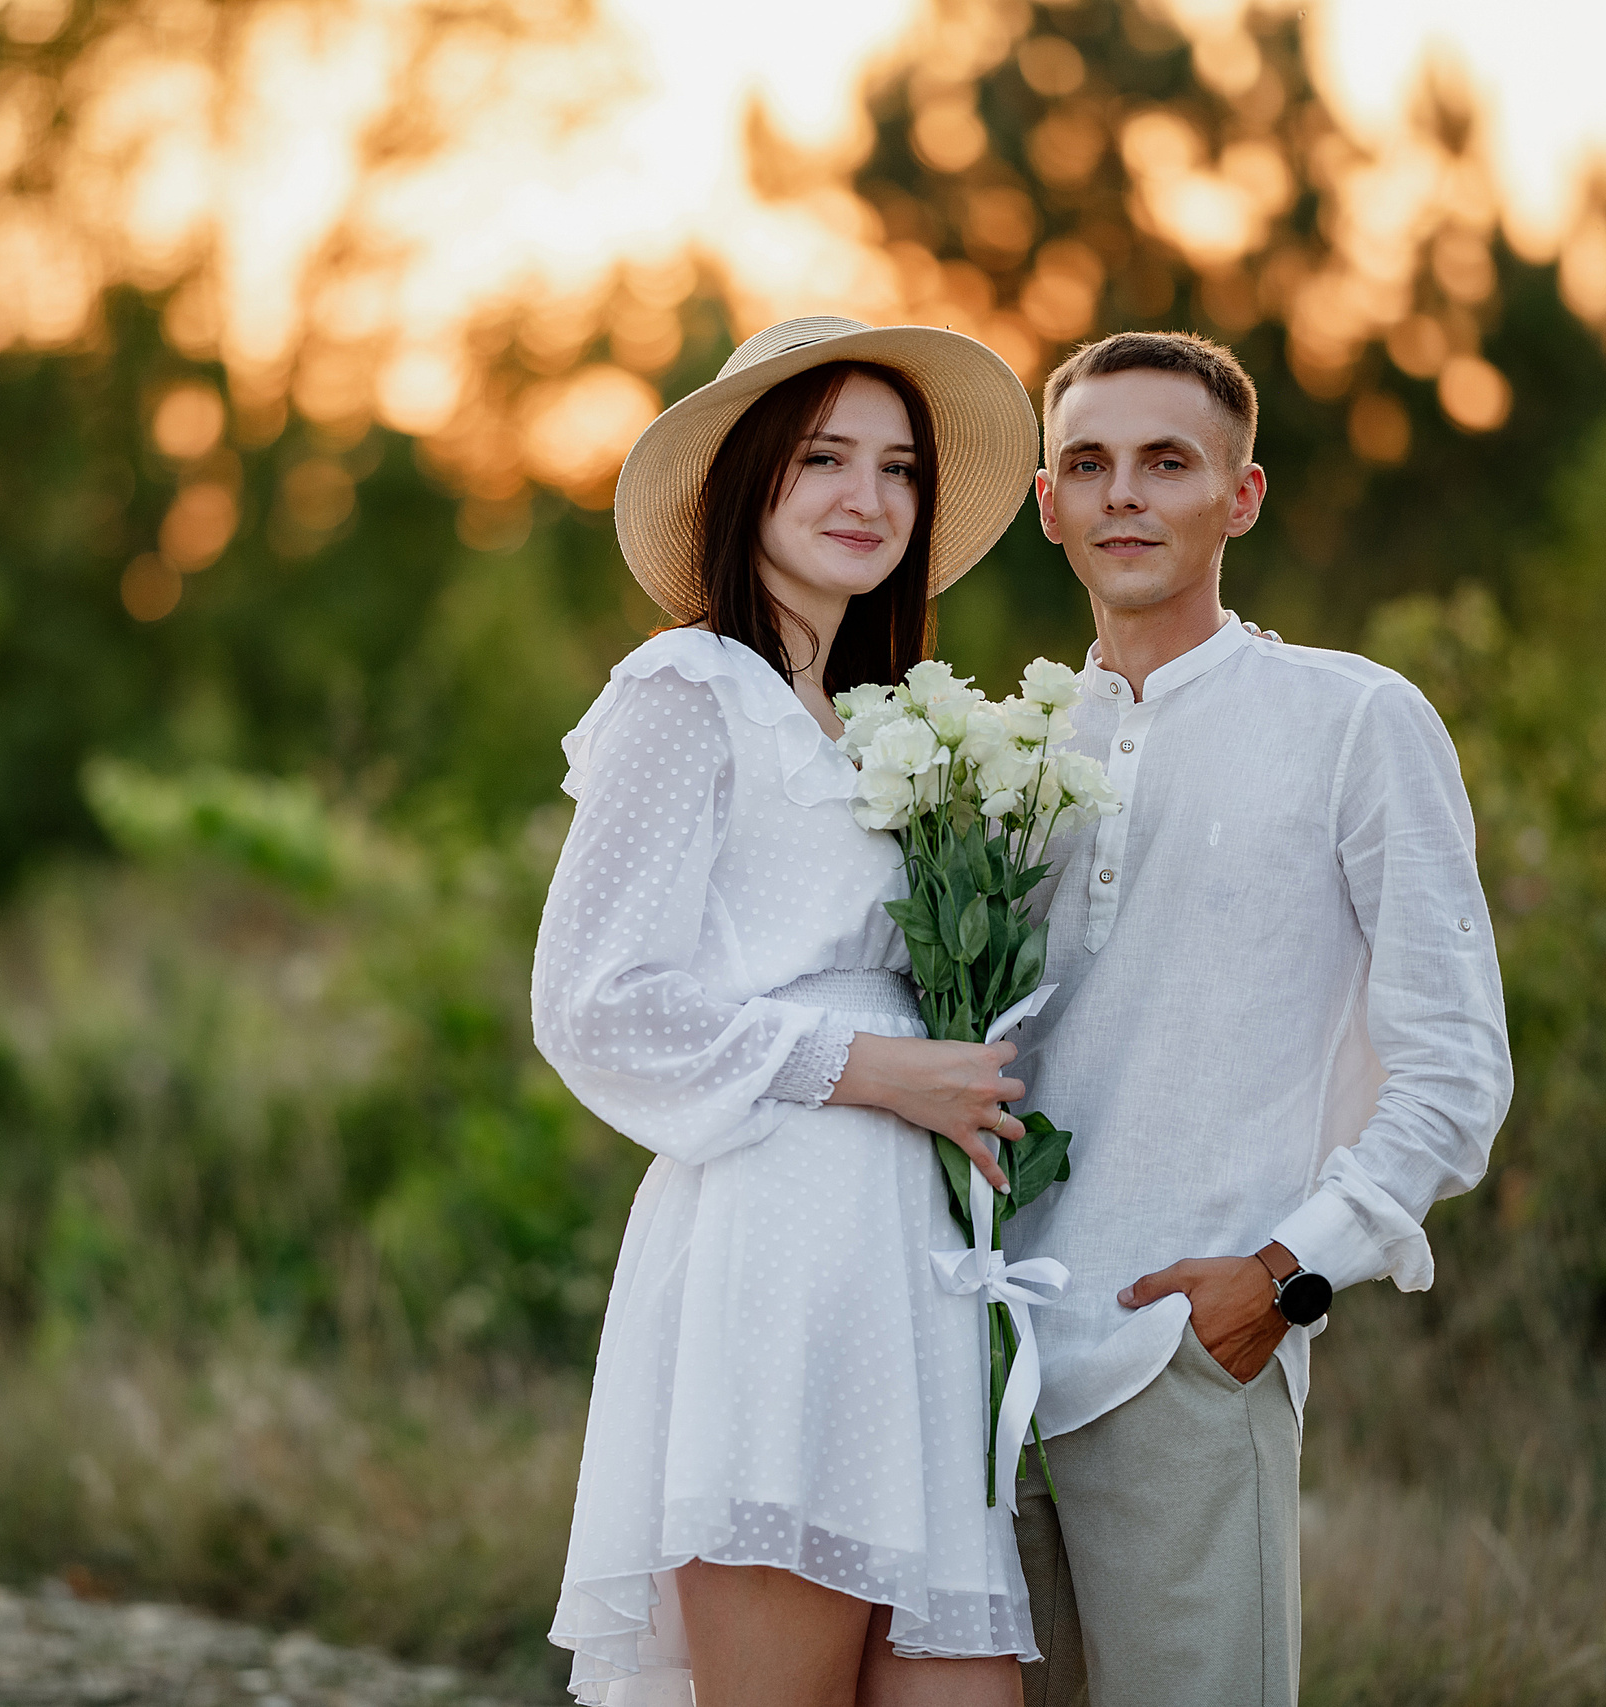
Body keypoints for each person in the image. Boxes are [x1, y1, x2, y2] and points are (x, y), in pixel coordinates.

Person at [535, 316, 1045, 1706]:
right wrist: (877, 1068)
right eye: (824, 456)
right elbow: (595, 1002)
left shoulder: (886, 727)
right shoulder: (686, 689)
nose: (866, 497)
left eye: (896, 468)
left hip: (916, 1268)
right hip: (779, 1252)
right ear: (749, 481)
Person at [1004, 331, 1514, 1706]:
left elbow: (1455, 1071)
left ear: (1241, 496)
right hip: (979, 1377)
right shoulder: (1002, 752)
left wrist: (1286, 1278)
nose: (1125, 497)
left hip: (1184, 1354)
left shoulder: (1353, 721)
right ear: (1045, 503)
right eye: (1091, 465)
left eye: (1167, 463)